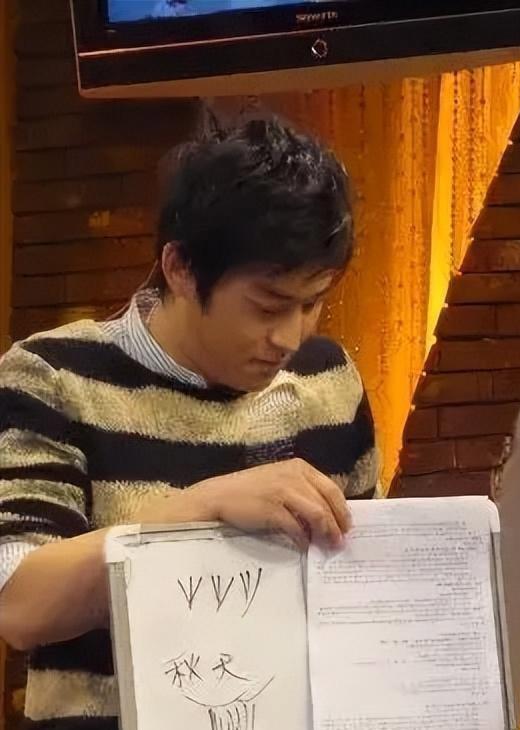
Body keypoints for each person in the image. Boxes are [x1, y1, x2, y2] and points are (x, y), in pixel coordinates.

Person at [0, 117, 380, 729]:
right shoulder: (54, 377)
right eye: (267, 306)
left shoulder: (328, 382)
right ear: (179, 268)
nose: (289, 337)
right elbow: (19, 604)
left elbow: (357, 588)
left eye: (312, 304)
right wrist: (202, 508)